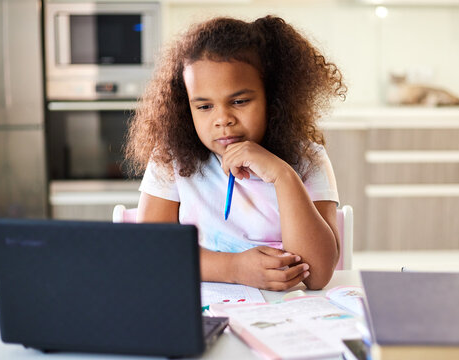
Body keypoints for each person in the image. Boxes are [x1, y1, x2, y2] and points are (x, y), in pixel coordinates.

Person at [125, 15, 346, 290]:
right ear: (186, 108)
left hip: (286, 314)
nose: (222, 119)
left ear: (274, 98)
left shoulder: (307, 158)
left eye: (239, 101)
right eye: (204, 107)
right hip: (200, 307)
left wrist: (283, 176)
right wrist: (234, 268)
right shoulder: (172, 158)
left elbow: (318, 274)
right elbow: (151, 253)